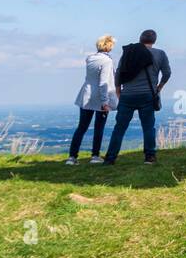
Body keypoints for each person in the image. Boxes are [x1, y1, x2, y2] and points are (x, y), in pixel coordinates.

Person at [102, 29, 171, 166]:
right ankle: (149, 157)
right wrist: (158, 88)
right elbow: (167, 73)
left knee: (119, 128)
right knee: (148, 127)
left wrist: (118, 92)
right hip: (147, 96)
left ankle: (110, 159)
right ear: (154, 40)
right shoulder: (160, 54)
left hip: (127, 95)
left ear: (140, 39)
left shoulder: (129, 52)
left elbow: (119, 74)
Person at [66, 35, 118, 165]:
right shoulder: (107, 61)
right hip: (99, 98)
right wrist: (105, 102)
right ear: (109, 46)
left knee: (81, 127)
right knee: (98, 128)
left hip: (86, 95)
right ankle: (95, 156)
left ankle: (72, 157)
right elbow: (103, 82)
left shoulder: (90, 58)